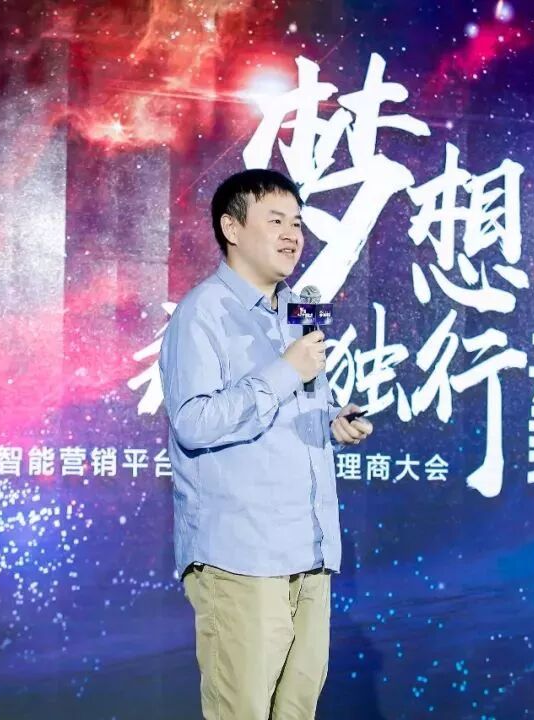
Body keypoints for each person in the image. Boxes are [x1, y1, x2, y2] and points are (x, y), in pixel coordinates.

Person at [160, 168, 374, 719]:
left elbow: (290, 410)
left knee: (296, 711)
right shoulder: (203, 312)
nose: (292, 235)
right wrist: (283, 371)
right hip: (243, 558)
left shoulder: (296, 313)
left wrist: (332, 422)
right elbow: (194, 422)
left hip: (309, 551)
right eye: (275, 220)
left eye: (296, 223)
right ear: (231, 228)